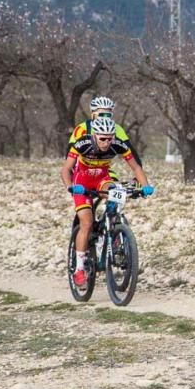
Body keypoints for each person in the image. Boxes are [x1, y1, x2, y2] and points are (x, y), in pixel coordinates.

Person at [61, 116, 154, 287]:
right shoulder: (82, 144)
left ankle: (113, 227)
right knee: (86, 223)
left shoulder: (118, 144)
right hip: (81, 182)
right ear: (94, 135)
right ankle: (80, 268)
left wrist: (145, 186)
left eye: (110, 138)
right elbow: (66, 169)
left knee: (116, 192)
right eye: (102, 138)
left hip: (102, 179)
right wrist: (70, 187)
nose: (106, 142)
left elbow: (136, 167)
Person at [67, 96, 141, 167]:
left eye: (107, 115)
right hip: (82, 167)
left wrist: (138, 174)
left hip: (104, 168)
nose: (104, 118)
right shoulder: (82, 128)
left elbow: (132, 152)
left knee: (113, 178)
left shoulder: (117, 129)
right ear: (93, 114)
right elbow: (69, 152)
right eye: (101, 114)